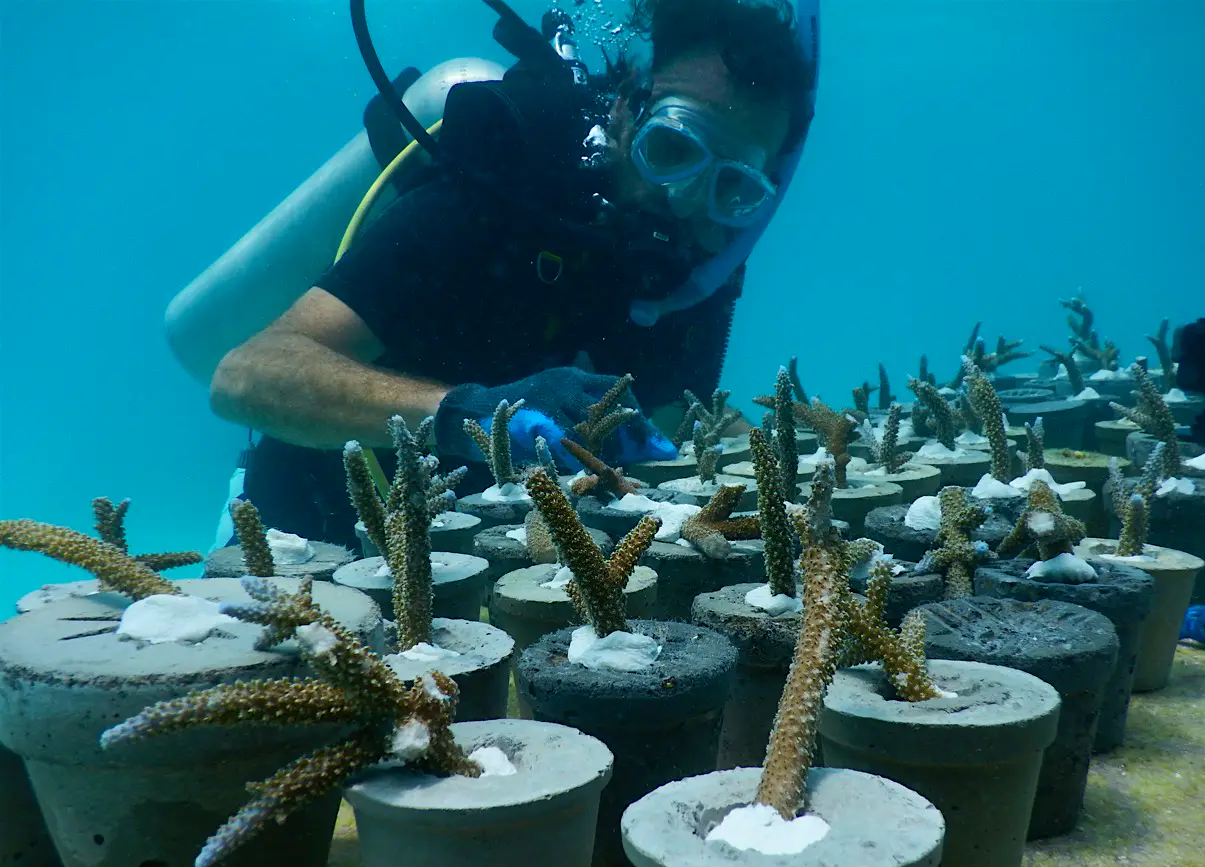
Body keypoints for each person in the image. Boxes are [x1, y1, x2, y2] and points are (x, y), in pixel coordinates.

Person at [209, 0, 817, 549]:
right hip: (314, 538)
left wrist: (785, 457)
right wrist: (465, 413)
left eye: (731, 187)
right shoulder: (490, 201)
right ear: (629, 111)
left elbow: (673, 411)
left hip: (508, 569)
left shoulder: (701, 269)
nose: (685, 201)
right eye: (674, 150)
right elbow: (245, 374)